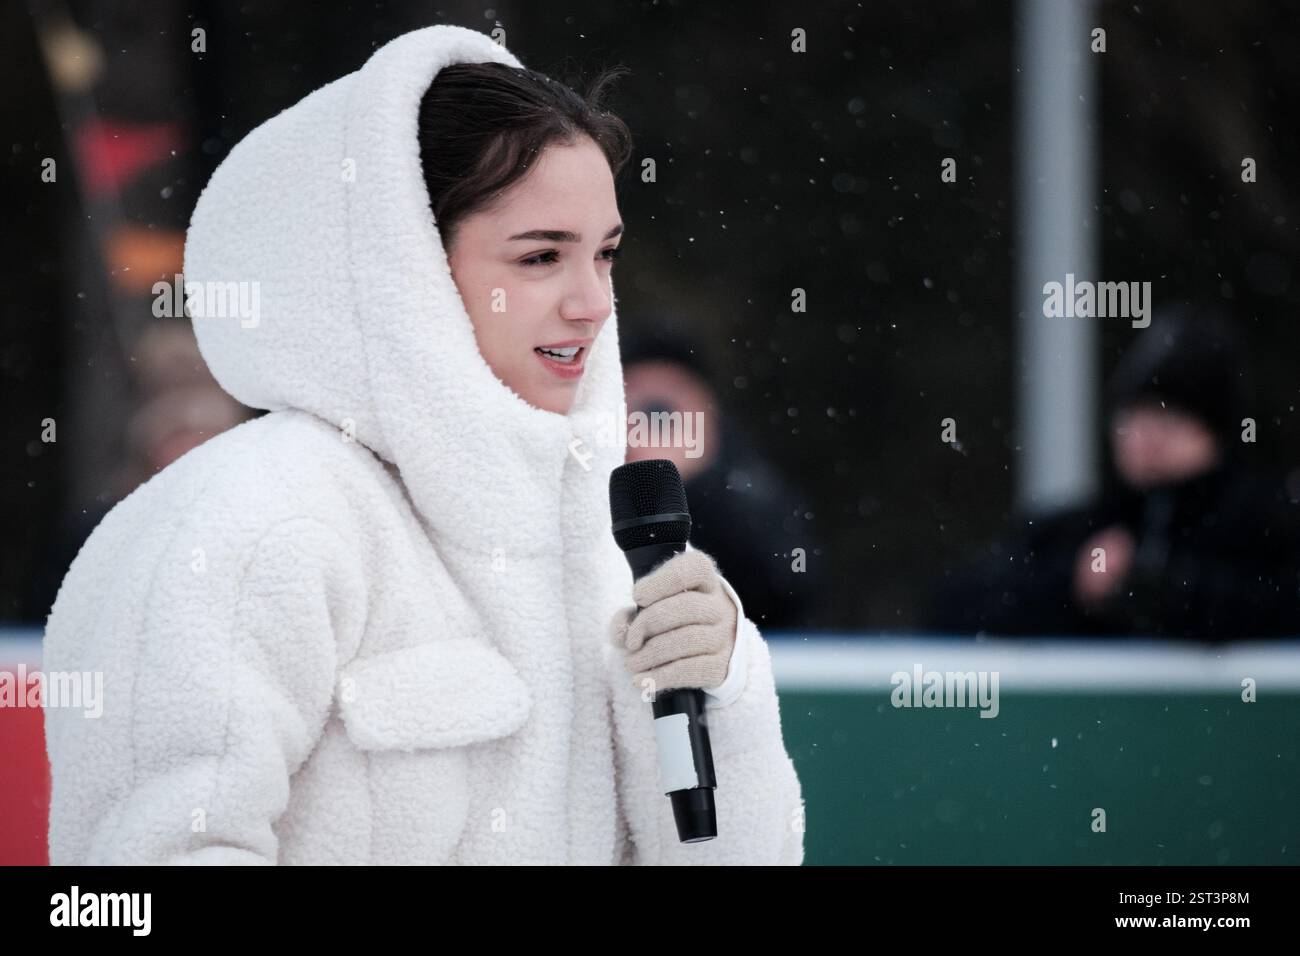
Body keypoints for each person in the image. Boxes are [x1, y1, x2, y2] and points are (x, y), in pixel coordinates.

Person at [42, 25, 804, 865]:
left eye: (605, 255)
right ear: (402, 269)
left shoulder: (601, 541)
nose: (592, 302)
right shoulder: (245, 524)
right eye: (542, 255)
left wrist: (725, 692)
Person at [929, 306, 1300, 640]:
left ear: (1217, 436)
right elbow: (952, 605)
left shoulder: (1266, 525)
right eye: (1136, 417)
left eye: (1171, 420)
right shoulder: (1079, 529)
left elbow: (1279, 607)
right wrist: (1074, 586)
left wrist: (1170, 591)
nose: (1148, 439)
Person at [621, 330, 825, 628]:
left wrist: (691, 484)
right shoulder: (579, 475)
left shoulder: (750, 486)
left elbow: (790, 588)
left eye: (668, 403)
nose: (654, 419)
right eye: (640, 403)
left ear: (707, 408)